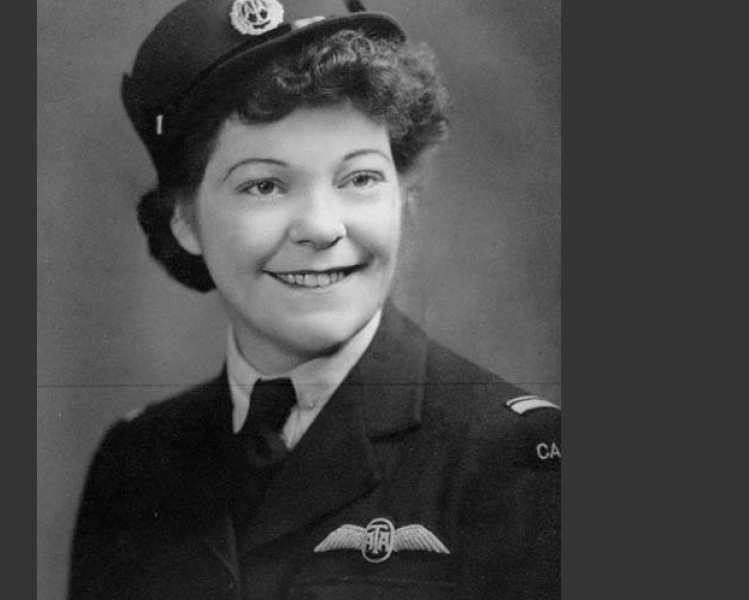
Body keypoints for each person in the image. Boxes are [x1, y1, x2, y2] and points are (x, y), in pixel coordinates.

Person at [68, 1, 560, 599]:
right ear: (185, 220)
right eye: (265, 185)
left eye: (359, 178)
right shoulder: (135, 462)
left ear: (402, 197)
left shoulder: (515, 462)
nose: (322, 228)